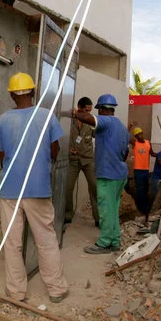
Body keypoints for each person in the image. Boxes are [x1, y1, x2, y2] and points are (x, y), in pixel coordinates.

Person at [0, 72, 70, 303]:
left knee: (12, 242)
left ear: (11, 95)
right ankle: (56, 289)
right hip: (38, 188)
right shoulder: (47, 116)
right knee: (46, 239)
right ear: (34, 92)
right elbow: (56, 151)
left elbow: (2, 155)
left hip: (10, 191)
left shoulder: (4, 119)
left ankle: (17, 291)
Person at [74, 94, 130, 254]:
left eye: (98, 110)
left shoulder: (107, 121)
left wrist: (75, 113)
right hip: (120, 174)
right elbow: (125, 154)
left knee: (105, 209)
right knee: (113, 209)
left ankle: (104, 242)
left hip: (108, 174)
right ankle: (115, 240)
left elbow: (90, 119)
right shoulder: (121, 127)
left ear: (103, 109)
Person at [64, 97, 99, 227]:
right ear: (79, 107)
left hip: (88, 159)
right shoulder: (69, 120)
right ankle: (67, 215)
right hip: (73, 160)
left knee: (95, 187)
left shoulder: (90, 121)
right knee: (67, 188)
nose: (88, 113)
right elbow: (61, 136)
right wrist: (68, 147)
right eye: (86, 110)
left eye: (90, 111)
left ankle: (98, 218)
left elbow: (99, 134)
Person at [130, 127, 157, 220]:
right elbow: (125, 136)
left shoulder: (148, 143)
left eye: (141, 134)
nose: (140, 136)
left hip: (146, 170)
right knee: (140, 190)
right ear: (136, 137)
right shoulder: (135, 143)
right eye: (138, 135)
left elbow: (152, 154)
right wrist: (129, 126)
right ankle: (142, 209)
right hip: (138, 170)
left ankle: (146, 206)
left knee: (146, 189)